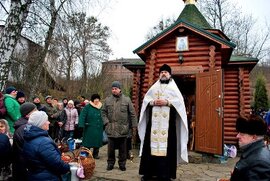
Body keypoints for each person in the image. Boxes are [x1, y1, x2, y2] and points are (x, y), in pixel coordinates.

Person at [138, 64, 189, 181]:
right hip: (153, 127)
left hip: (168, 126)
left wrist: (167, 102)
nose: (164, 73)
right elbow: (146, 101)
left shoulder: (174, 89)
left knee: (167, 150)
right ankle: (148, 174)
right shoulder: (154, 88)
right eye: (162, 72)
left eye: (166, 72)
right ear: (159, 74)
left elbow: (180, 104)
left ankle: (165, 175)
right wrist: (153, 102)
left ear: (170, 75)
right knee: (149, 150)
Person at [22, 111, 70, 180]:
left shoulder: (29, 137)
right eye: (46, 120)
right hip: (48, 177)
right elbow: (57, 165)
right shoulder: (43, 142)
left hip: (34, 176)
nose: (49, 122)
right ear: (40, 123)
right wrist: (69, 167)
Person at [102, 81, 137, 171]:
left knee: (123, 149)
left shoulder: (127, 100)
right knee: (110, 149)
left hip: (123, 129)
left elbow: (132, 114)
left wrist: (134, 126)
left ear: (120, 89)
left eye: (116, 89)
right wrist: (106, 122)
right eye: (113, 89)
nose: (114, 90)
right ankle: (110, 163)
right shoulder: (107, 100)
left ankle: (122, 164)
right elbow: (103, 112)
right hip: (111, 128)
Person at [230, 115, 270, 181]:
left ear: (254, 137)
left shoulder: (259, 163)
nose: (237, 136)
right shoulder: (253, 152)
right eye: (238, 133)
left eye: (242, 134)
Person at [12, 102, 37, 181]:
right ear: (28, 114)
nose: (38, 111)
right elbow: (28, 150)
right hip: (24, 168)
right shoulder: (25, 128)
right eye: (35, 110)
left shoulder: (26, 125)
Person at [79, 94, 103, 159]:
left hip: (98, 127)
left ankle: (95, 154)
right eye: (95, 99)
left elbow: (104, 115)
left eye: (98, 99)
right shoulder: (87, 107)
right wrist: (81, 125)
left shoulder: (101, 107)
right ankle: (85, 154)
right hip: (89, 127)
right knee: (87, 142)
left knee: (97, 142)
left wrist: (104, 124)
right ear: (92, 100)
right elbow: (82, 116)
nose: (97, 100)